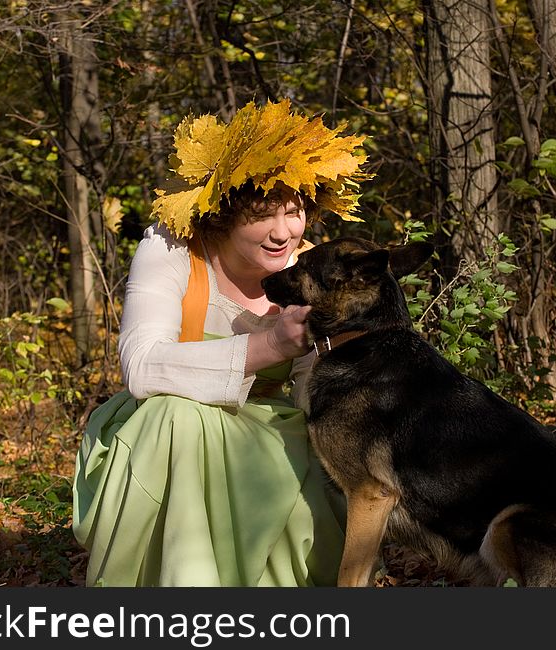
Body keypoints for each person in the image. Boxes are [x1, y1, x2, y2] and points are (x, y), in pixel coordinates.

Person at [72, 98, 370, 586]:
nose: (283, 233)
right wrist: (270, 346)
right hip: (161, 433)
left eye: (294, 213)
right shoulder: (169, 247)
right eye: (262, 215)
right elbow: (142, 367)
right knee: (178, 417)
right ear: (225, 214)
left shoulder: (316, 269)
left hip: (274, 435)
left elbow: (315, 398)